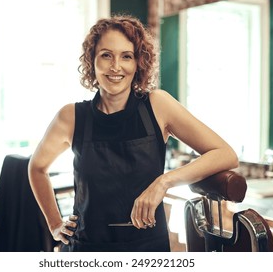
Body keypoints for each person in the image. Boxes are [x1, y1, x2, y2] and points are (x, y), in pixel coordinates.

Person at [28, 14, 238, 252]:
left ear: (139, 62)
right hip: (86, 248)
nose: (116, 67)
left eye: (126, 56)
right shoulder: (71, 116)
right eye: (106, 55)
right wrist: (55, 223)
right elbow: (37, 168)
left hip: (147, 250)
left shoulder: (158, 106)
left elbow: (225, 154)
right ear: (91, 60)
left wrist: (163, 182)